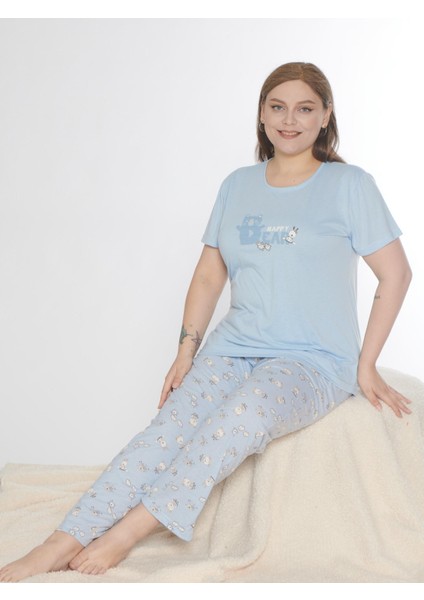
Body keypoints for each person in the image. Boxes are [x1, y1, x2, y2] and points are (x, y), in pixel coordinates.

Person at [0, 61, 413, 583]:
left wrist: (366, 364)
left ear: (326, 116)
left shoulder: (350, 185)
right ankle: (60, 541)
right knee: (163, 433)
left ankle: (130, 531)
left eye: (305, 108)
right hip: (232, 348)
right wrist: (186, 352)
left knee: (241, 418)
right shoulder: (237, 185)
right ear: (261, 114)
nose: (290, 120)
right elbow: (208, 274)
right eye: (278, 107)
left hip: (312, 361)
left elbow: (396, 274)